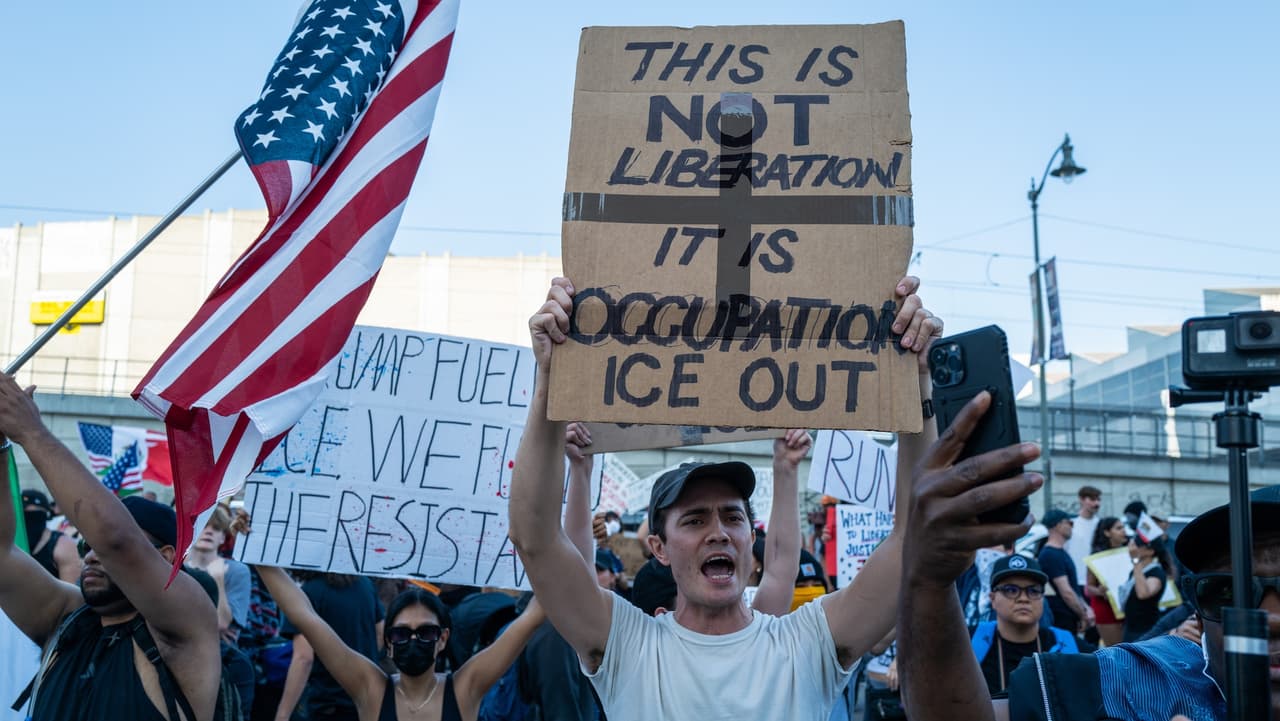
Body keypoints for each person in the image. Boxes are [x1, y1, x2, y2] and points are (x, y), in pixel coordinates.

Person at [508, 275, 941, 720]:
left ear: (751, 538)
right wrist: (550, 381)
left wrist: (917, 383)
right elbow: (535, 539)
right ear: (657, 547)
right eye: (694, 520)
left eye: (732, 517)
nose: (718, 532)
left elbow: (913, 539)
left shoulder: (807, 643)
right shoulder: (627, 645)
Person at [896, 393, 1280, 719]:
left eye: (1031, 590)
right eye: (1228, 592)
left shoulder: (1063, 635)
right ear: (1198, 608)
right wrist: (927, 578)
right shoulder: (1136, 682)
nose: (1272, 618)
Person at [0, 375, 221, 721]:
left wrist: (31, 433)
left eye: (98, 548)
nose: (91, 554)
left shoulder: (186, 625)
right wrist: (0, 447)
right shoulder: (64, 618)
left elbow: (117, 541)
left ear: (165, 557)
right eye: (86, 545)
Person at [257, 566, 547, 721]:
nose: (413, 640)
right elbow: (305, 617)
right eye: (401, 634)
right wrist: (257, 549)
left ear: (443, 638)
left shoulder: (465, 688)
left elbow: (534, 615)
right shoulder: (369, 688)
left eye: (426, 633)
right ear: (388, 641)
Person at [275, 572, 384, 721]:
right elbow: (380, 634)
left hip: (328, 704)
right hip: (368, 700)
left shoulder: (309, 593)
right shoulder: (366, 585)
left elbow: (304, 658)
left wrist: (283, 714)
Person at [969, 556, 1077, 695]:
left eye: (1033, 591)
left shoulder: (1068, 646)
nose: (1023, 598)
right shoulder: (967, 643)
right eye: (1011, 590)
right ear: (993, 599)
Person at [188, 503, 253, 643]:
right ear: (191, 531)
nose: (209, 531)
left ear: (223, 537)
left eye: (216, 528)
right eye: (204, 525)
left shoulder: (237, 571)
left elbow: (221, 623)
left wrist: (218, 580)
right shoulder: (176, 566)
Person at [1036, 508, 1094, 634]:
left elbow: (1073, 588)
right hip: (1061, 620)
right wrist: (1083, 614)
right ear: (1058, 525)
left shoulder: (1059, 552)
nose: (1072, 527)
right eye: (1070, 523)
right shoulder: (1050, 554)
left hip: (1068, 618)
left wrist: (1085, 607)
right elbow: (1066, 592)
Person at [19, 489, 81, 583]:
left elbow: (73, 591)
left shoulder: (62, 544)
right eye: (23, 513)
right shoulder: (7, 543)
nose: (28, 520)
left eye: (33, 515)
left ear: (45, 515)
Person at [1083, 515, 1127, 646]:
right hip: (1106, 609)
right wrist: (1100, 591)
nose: (1124, 531)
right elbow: (1088, 589)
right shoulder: (1096, 558)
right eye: (1119, 528)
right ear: (1107, 532)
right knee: (1117, 650)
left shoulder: (1132, 552)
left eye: (1124, 527)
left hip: (1129, 608)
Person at [1121, 534, 1172, 642]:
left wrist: (1135, 560)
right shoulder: (1136, 570)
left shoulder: (1156, 573)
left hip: (1145, 630)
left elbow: (1143, 594)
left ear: (1150, 551)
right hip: (1130, 627)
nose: (1132, 548)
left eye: (1137, 545)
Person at [1064, 485, 1102, 591]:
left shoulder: (1101, 524)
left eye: (1098, 500)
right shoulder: (1071, 524)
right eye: (1092, 499)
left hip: (1096, 583)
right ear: (1081, 500)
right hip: (1075, 580)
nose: (1096, 504)